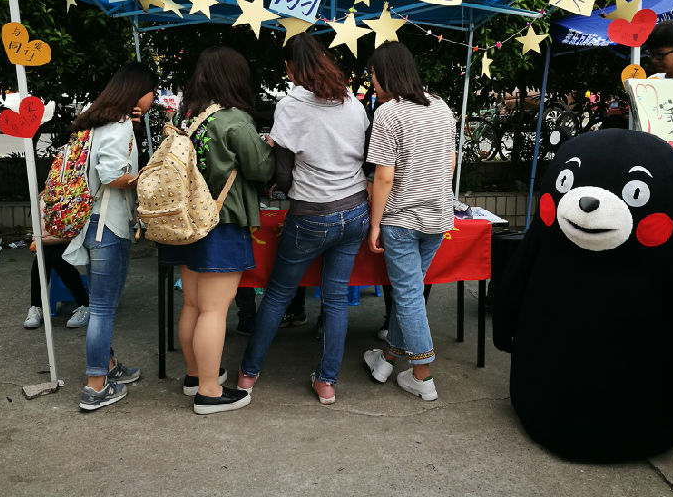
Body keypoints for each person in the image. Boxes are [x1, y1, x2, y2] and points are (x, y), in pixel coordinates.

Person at [238, 33, 370, 405]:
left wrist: (277, 169)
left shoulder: (291, 105)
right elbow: (361, 154)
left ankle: (247, 375)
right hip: (355, 210)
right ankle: (327, 383)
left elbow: (282, 175)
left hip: (311, 214)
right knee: (336, 299)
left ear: (292, 68)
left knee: (278, 295)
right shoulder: (351, 102)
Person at [162, 46, 275, 415]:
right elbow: (260, 169)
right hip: (221, 221)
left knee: (193, 304)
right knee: (214, 310)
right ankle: (209, 392)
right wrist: (269, 147)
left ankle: (195, 375)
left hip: (185, 221)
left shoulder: (187, 117)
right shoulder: (234, 120)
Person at [362, 42, 455, 402]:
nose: (372, 83)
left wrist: (375, 224)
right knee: (410, 292)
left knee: (408, 295)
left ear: (385, 74)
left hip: (401, 218)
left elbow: (383, 176)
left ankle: (422, 375)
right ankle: (386, 360)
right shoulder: (441, 106)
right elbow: (450, 163)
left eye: (373, 75)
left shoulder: (388, 113)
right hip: (437, 215)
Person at [62, 62, 158, 411]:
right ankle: (95, 386)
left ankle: (108, 365)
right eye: (152, 93)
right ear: (138, 92)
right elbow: (112, 175)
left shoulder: (94, 123)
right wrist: (148, 177)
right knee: (102, 309)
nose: (153, 100)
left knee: (102, 305)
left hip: (89, 223)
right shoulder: (119, 127)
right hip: (108, 226)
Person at [23, 194, 90, 329]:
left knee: (59, 260)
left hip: (74, 237)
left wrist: (45, 239)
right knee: (40, 261)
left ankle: (85, 305)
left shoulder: (75, 189)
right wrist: (42, 239)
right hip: (50, 239)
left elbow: (75, 229)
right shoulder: (44, 195)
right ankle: (36, 307)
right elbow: (40, 228)